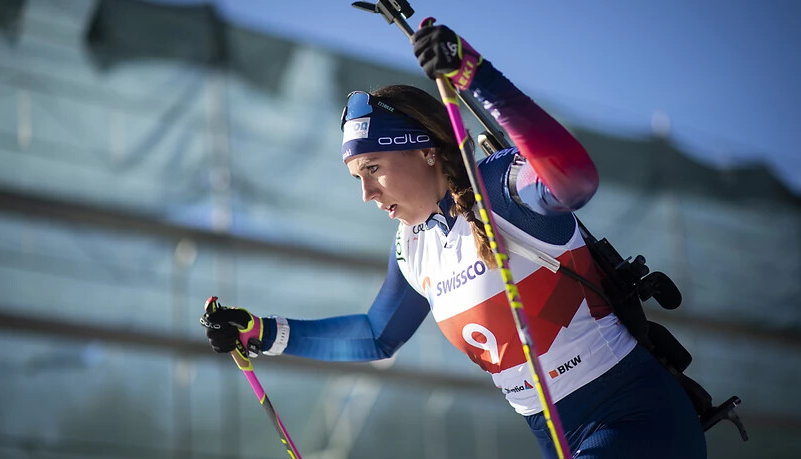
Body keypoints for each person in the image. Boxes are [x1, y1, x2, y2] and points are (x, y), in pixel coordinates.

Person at [200, 22, 707, 458]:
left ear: (423, 150)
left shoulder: (501, 187)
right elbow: (377, 334)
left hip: (635, 415)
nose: (367, 194)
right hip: (558, 437)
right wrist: (260, 331)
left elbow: (576, 178)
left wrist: (472, 72)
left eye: (373, 168)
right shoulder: (412, 246)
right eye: (357, 177)